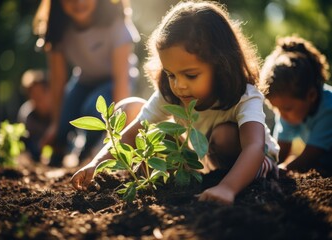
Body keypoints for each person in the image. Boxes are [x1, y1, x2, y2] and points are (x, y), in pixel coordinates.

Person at [70, 0, 280, 204]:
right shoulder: (171, 94)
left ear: (221, 65)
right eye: (171, 74)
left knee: (224, 135)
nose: (179, 85)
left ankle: (233, 181)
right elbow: (135, 129)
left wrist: (227, 188)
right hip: (206, 166)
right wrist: (97, 163)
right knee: (154, 131)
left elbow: (254, 146)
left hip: (256, 161)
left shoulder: (243, 95)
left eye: (190, 75)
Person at [33, 0, 141, 166]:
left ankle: (88, 156)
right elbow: (58, 81)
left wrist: (116, 131)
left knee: (93, 109)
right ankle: (57, 156)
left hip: (114, 81)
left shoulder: (116, 22)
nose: (78, 2)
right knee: (62, 124)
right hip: (84, 80)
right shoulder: (58, 29)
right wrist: (55, 125)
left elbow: (121, 79)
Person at [259, 36, 332, 176]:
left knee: (321, 164)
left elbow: (310, 156)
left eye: (286, 108)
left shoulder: (328, 108)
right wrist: (268, 165)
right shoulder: (289, 111)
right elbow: (281, 149)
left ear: (311, 95)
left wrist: (281, 169)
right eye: (276, 108)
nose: (281, 114)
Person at [17, 69, 52, 161]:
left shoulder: (58, 111)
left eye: (41, 93)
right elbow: (25, 143)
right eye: (34, 95)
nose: (38, 98)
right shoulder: (27, 115)